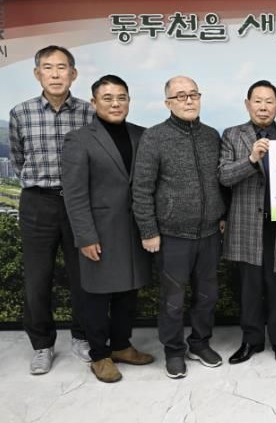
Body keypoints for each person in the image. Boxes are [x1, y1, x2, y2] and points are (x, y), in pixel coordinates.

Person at [61, 75, 154, 383]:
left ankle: (122, 346)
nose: (116, 104)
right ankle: (100, 355)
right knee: (97, 295)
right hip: (99, 231)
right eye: (108, 98)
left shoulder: (142, 135)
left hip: (135, 228)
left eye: (121, 97)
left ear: (129, 100)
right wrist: (85, 236)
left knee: (129, 290)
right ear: (94, 102)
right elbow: (74, 194)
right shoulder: (79, 140)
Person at [132, 76, 227, 379]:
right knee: (173, 301)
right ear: (168, 103)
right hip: (172, 236)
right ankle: (174, 351)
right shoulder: (155, 137)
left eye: (193, 95)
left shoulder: (211, 135)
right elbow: (141, 188)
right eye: (181, 96)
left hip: (209, 234)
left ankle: (199, 343)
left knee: (207, 296)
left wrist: (222, 214)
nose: (189, 100)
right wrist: (148, 231)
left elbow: (219, 181)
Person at [9, 45, 93, 374]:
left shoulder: (88, 112)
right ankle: (42, 345)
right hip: (37, 202)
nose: (55, 74)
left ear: (73, 73)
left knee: (83, 275)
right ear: (37, 74)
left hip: (78, 202)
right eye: (48, 67)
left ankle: (82, 337)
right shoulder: (21, 113)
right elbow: (18, 159)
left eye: (62, 67)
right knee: (37, 278)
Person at [219, 80, 276, 366]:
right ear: (247, 104)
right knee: (249, 288)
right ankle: (251, 341)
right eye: (258, 101)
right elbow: (224, 176)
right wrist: (252, 159)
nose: (263, 107)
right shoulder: (232, 135)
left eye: (269, 101)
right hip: (245, 224)